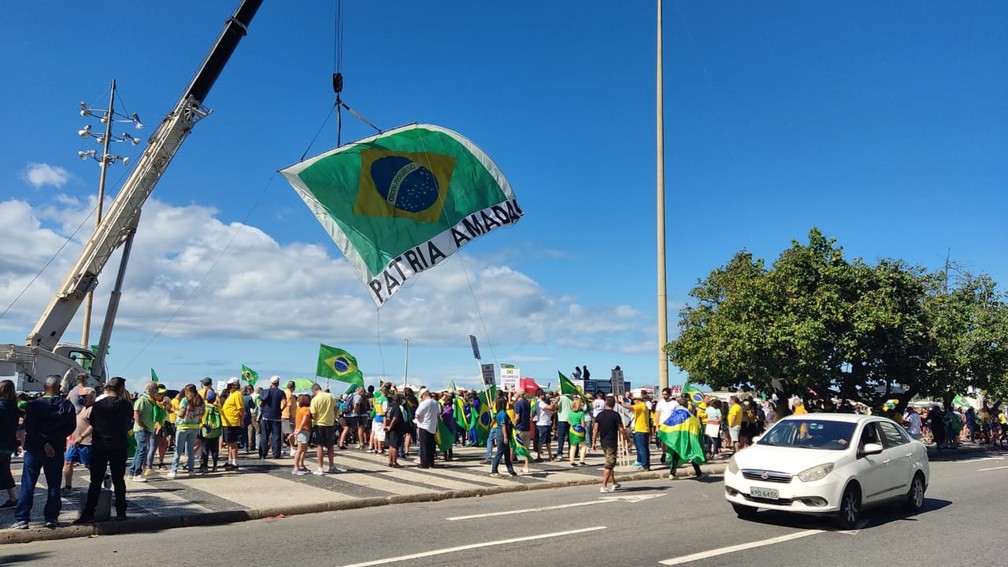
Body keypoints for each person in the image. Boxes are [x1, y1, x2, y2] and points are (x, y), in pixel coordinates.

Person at [12, 375, 76, 529]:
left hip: (35, 448)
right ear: (59, 387)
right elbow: (70, 427)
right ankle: (51, 517)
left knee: (28, 484)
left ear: (44, 388)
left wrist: (45, 442)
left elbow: (31, 427)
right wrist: (53, 442)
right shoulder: (67, 405)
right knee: (54, 484)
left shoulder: (34, 405)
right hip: (56, 450)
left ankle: (22, 518)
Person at [75, 377, 133, 524]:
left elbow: (93, 422)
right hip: (119, 445)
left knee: (95, 481)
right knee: (119, 480)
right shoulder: (126, 405)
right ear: (121, 389)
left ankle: (89, 512)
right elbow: (128, 424)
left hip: (100, 445)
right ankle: (121, 511)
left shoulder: (98, 405)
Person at [61, 386, 95, 495]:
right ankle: (68, 487)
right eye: (80, 396)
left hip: (86, 442)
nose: (82, 398)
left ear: (92, 397)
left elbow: (92, 426)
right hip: (74, 441)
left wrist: (81, 437)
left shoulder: (93, 409)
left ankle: (104, 477)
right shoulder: (82, 409)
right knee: (68, 462)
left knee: (88, 464)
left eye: (85, 396)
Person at [592, 396, 630, 493]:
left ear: (605, 403)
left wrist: (593, 442)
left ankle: (614, 483)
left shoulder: (599, 415)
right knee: (609, 464)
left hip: (603, 441)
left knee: (610, 462)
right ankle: (603, 485)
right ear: (614, 404)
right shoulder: (615, 415)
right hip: (611, 442)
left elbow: (595, 429)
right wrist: (627, 440)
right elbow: (621, 429)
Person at [168, 384, 205, 479]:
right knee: (190, 449)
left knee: (178, 449)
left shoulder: (185, 400)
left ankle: (174, 470)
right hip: (194, 426)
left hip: (183, 426)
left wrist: (173, 410)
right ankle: (191, 470)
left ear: (186, 391)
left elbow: (181, 413)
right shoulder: (200, 400)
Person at [129, 381, 159, 482]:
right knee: (142, 451)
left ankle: (132, 472)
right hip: (142, 429)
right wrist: (142, 426)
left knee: (139, 451)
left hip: (148, 428)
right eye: (155, 389)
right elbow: (136, 413)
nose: (157, 391)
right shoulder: (142, 400)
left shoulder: (151, 400)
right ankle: (137, 473)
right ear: (150, 389)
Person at [0, 380, 20, 509]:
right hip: (8, 444)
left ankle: (13, 498)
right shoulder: (14, 407)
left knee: (4, 470)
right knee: (4, 470)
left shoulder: (1, 406)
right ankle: (13, 497)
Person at [619, 392, 652, 471]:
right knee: (644, 448)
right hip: (642, 429)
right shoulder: (643, 406)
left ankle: (645, 465)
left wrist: (621, 403)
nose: (633, 401)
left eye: (634, 400)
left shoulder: (641, 405)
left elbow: (629, 407)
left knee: (641, 448)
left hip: (640, 430)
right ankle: (645, 464)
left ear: (638, 400)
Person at [310, 383, 337, 474]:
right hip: (330, 423)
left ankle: (320, 467)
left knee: (319, 445)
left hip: (319, 424)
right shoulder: (331, 396)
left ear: (313, 391)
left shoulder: (315, 399)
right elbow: (335, 409)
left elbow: (314, 415)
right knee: (330, 446)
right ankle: (331, 466)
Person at [220, 377, 245, 471]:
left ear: (234, 385)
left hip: (233, 422)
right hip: (227, 422)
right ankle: (230, 460)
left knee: (233, 443)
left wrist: (241, 420)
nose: (228, 387)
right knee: (229, 443)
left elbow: (241, 409)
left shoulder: (237, 394)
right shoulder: (231, 394)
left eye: (230, 385)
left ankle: (234, 461)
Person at [258, 376, 286, 459]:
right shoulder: (281, 392)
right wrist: (280, 409)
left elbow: (260, 404)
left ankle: (263, 454)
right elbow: (284, 403)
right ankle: (276, 453)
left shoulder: (265, 392)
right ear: (278, 383)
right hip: (276, 417)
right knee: (276, 436)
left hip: (266, 416)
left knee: (264, 436)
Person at [489, 398, 516, 476]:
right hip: (502, 433)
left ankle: (510, 470)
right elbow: (503, 425)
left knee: (507, 453)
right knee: (500, 452)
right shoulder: (503, 414)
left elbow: (493, 421)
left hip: (498, 432)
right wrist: (505, 437)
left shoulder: (498, 413)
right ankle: (494, 470)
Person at [414, 389, 439, 469]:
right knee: (431, 446)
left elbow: (417, 415)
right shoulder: (435, 403)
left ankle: (424, 464)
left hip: (423, 426)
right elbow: (438, 414)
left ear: (424, 395)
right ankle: (431, 463)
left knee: (424, 446)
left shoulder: (424, 403)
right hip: (432, 426)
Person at [199, 391, 222, 473]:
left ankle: (205, 466)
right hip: (216, 431)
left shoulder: (206, 408)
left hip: (207, 431)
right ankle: (215, 466)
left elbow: (203, 419)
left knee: (205, 449)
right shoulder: (217, 408)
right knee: (215, 450)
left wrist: (201, 425)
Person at [384, 394, 407, 468]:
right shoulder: (397, 407)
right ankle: (394, 462)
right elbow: (395, 418)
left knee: (391, 445)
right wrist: (390, 426)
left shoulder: (389, 406)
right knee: (395, 446)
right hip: (395, 429)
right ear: (399, 400)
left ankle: (390, 461)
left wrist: (385, 426)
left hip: (389, 428)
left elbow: (385, 416)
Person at [292, 394, 312, 476]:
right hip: (303, 430)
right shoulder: (306, 410)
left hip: (300, 429)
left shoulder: (299, 409)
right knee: (300, 449)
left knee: (303, 449)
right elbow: (304, 420)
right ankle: (296, 467)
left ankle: (301, 465)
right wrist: (300, 429)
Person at [512, 392, 531, 474]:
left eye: (515, 393)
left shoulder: (518, 403)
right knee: (525, 448)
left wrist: (513, 424)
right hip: (527, 427)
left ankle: (509, 465)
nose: (514, 394)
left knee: (513, 445)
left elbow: (517, 416)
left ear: (519, 394)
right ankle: (526, 466)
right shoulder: (527, 403)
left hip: (519, 427)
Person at [533, 391, 555, 462]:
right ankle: (539, 456)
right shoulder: (540, 403)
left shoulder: (542, 403)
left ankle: (550, 456)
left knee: (548, 441)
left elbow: (551, 409)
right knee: (541, 441)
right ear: (539, 395)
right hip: (542, 424)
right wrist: (556, 401)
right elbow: (551, 407)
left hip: (546, 423)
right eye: (543, 395)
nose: (545, 396)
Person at [568, 397, 587, 466]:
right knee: (583, 445)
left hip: (572, 430)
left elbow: (569, 421)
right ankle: (582, 460)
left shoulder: (570, 413)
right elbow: (582, 424)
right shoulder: (581, 413)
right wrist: (585, 425)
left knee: (573, 446)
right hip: (579, 430)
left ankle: (572, 461)